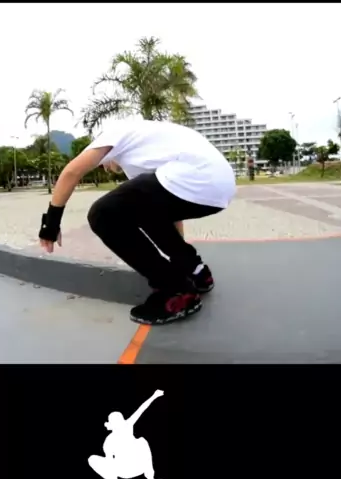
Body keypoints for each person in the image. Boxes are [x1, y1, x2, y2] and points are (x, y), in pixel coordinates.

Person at [38, 118, 236, 325]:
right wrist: (182, 260)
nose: (105, 168)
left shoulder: (114, 133)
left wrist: (50, 225)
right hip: (220, 187)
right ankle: (197, 272)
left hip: (196, 178)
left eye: (105, 163)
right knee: (145, 212)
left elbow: (72, 172)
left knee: (102, 214)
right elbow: (167, 212)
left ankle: (176, 290)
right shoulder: (151, 147)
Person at [88, 389, 164, 479]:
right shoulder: (115, 435)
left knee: (141, 441)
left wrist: (154, 396)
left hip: (133, 467)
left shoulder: (116, 434)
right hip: (128, 468)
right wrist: (154, 396)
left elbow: (141, 409)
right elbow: (141, 409)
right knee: (93, 459)